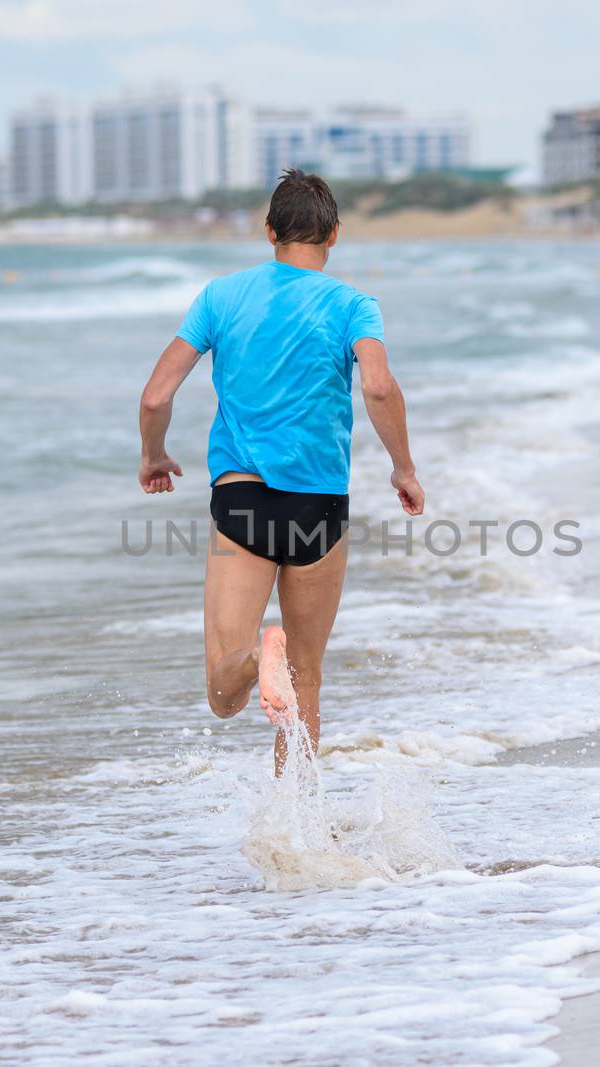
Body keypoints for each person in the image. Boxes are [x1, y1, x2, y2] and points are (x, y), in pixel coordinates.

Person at [136, 169, 424, 772]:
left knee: (224, 690)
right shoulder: (353, 306)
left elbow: (157, 396)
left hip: (243, 500)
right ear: (334, 235)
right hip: (318, 507)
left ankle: (256, 656)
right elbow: (377, 385)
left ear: (270, 231)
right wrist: (403, 469)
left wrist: (155, 455)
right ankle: (299, 831)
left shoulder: (221, 296)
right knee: (308, 680)